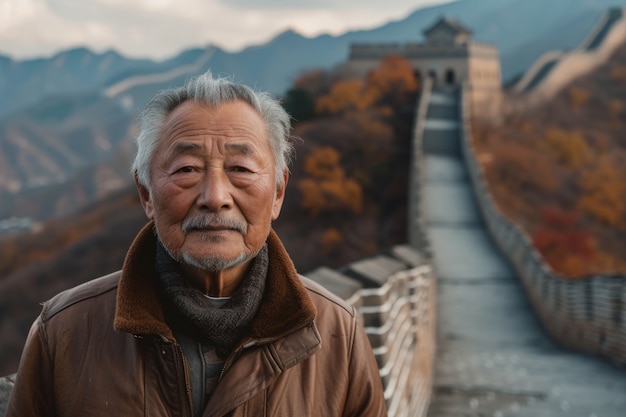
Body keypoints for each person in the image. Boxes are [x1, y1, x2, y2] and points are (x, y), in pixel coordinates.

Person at [6, 71, 387, 416]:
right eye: (187, 169)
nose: (215, 196)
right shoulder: (66, 331)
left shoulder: (337, 333)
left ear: (277, 193)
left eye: (240, 169)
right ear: (146, 195)